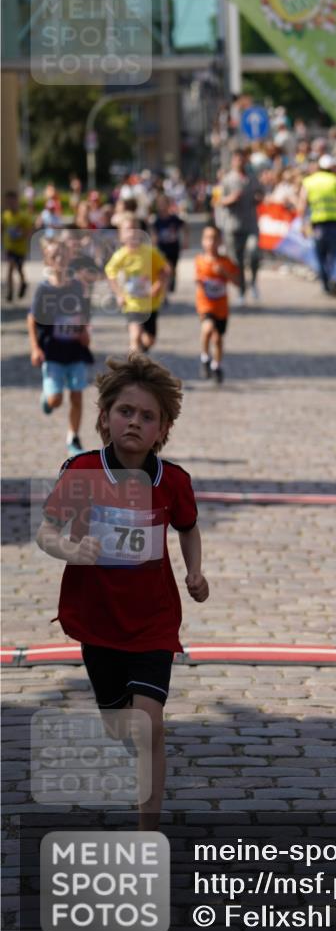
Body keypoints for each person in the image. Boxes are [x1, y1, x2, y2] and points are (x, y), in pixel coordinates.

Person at [35, 354, 209, 830]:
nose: (134, 421)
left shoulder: (173, 481)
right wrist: (73, 548)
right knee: (120, 726)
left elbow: (188, 528)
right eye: (125, 411)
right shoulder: (83, 472)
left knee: (148, 725)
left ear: (163, 429)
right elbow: (46, 532)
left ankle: (146, 833)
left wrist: (196, 572)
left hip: (153, 622)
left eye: (147, 416)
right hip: (99, 622)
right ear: (106, 419)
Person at [27, 238, 93, 455]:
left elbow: (83, 313)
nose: (60, 260)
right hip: (53, 352)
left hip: (75, 351)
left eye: (63, 255)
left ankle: (73, 438)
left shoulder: (76, 286)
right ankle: (48, 399)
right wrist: (35, 348)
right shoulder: (44, 290)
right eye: (54, 256)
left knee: (77, 396)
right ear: (48, 260)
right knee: (56, 400)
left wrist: (84, 331)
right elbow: (32, 319)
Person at [104, 215, 171, 353]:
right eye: (128, 229)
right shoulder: (120, 255)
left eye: (135, 229)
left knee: (149, 340)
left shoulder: (150, 252)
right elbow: (110, 274)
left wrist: (157, 286)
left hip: (150, 303)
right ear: (121, 235)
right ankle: (133, 368)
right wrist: (118, 294)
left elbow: (165, 270)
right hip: (131, 303)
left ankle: (141, 351)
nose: (132, 232)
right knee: (135, 336)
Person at [194, 225, 240, 383]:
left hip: (221, 307)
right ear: (202, 241)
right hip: (205, 305)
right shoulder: (199, 261)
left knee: (218, 340)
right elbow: (199, 280)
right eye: (207, 238)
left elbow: (238, 282)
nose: (211, 242)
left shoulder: (226, 262)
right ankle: (205, 357)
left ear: (220, 241)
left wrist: (224, 273)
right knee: (207, 329)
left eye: (214, 238)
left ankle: (216, 365)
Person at [217, 149, 263, 306]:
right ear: (232, 161)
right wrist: (231, 198)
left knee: (254, 252)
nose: (240, 162)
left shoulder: (252, 178)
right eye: (237, 159)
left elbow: (261, 194)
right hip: (233, 226)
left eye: (242, 159)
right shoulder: (227, 180)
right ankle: (241, 291)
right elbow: (219, 200)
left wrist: (258, 198)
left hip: (250, 224)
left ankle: (254, 282)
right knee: (237, 262)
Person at [297, 154, 336, 295]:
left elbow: (302, 205)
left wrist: (302, 224)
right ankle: (333, 280)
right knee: (334, 256)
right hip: (335, 224)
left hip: (318, 225)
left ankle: (326, 285)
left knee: (321, 257)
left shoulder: (309, 181)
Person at [151, 193, 188, 293]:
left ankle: (172, 281)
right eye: (160, 204)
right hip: (162, 247)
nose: (162, 206)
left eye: (164, 203)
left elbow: (184, 227)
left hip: (173, 247)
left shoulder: (174, 219)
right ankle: (164, 287)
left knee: (173, 267)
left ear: (168, 205)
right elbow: (154, 233)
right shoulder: (157, 220)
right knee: (164, 268)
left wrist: (185, 241)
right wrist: (154, 246)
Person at [2, 190, 33, 301]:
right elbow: (2, 228)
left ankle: (23, 283)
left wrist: (20, 234)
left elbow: (29, 231)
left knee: (19, 269)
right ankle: (10, 293)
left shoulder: (23, 216)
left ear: (17, 202)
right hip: (9, 247)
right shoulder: (5, 215)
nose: (10, 204)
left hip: (20, 248)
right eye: (8, 202)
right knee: (10, 268)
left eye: (13, 202)